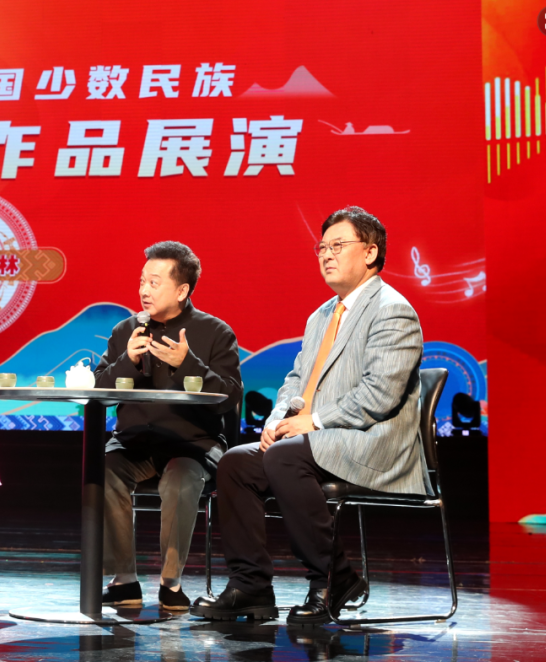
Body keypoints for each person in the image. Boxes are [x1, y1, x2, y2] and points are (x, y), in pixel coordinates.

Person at [193, 206, 428, 625]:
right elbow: (297, 379)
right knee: (236, 463)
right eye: (322, 247)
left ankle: (331, 578)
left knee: (286, 457)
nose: (327, 254)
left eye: (338, 245)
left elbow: (380, 395)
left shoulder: (392, 310)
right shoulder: (321, 315)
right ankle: (251, 586)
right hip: (320, 439)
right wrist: (278, 420)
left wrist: (313, 421)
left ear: (371, 253)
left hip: (373, 440)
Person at [94, 241, 242, 611]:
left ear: (182, 290)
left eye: (155, 283)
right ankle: (124, 580)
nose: (144, 290)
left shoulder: (215, 332)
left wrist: (188, 363)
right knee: (103, 468)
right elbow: (98, 391)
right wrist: (127, 361)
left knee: (180, 480)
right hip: (135, 443)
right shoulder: (125, 330)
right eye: (142, 281)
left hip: (191, 444)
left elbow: (230, 396)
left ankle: (170, 582)